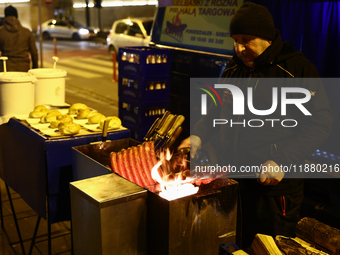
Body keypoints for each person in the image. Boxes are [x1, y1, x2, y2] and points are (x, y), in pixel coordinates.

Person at [178, 2, 333, 249]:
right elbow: (214, 109)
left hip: (274, 190)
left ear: (267, 38)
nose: (239, 48)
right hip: (235, 182)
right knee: (236, 245)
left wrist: (283, 160)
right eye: (235, 40)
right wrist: (198, 135)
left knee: (270, 248)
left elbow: (320, 123)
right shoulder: (233, 69)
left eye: (246, 40)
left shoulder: (296, 70)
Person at [0, 5, 38, 72]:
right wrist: (35, 68)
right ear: (17, 16)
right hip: (24, 68)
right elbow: (34, 52)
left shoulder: (1, 32)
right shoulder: (27, 32)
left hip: (6, 69)